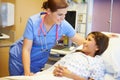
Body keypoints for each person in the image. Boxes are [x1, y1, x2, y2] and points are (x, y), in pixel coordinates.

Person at [9, 0, 84, 76]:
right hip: (19, 59)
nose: (63, 18)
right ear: (48, 11)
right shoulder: (33, 22)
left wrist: (94, 50)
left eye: (65, 14)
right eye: (60, 14)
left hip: (37, 61)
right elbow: (26, 49)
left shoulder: (63, 24)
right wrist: (27, 73)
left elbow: (80, 40)